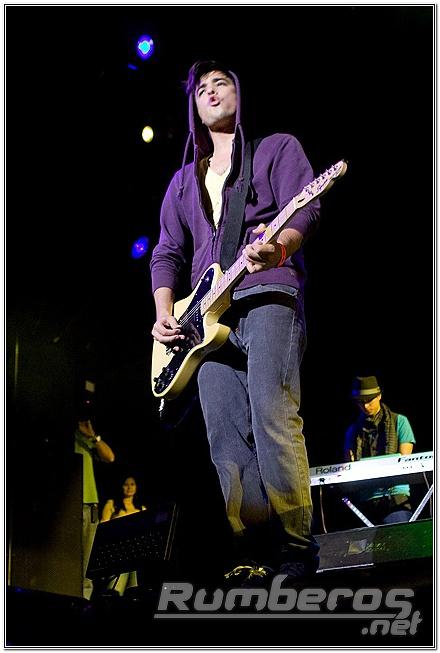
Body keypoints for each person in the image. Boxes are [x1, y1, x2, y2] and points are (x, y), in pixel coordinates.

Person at [150, 60, 321, 585]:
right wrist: (164, 313)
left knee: (273, 414)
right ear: (194, 108)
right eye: (201, 88)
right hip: (203, 324)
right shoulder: (183, 182)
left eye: (221, 82)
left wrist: (278, 248)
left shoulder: (277, 149)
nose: (211, 92)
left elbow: (304, 211)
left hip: (267, 292)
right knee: (225, 438)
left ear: (239, 94)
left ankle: (296, 548)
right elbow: (167, 251)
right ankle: (253, 550)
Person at [344, 375, 416, 524]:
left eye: (369, 401)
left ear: (379, 396)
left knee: (397, 533)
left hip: (395, 496)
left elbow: (405, 462)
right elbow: (348, 467)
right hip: (365, 498)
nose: (365, 406)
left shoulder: (399, 421)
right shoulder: (353, 430)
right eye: (361, 402)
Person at [74, 418, 115, 599]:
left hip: (88, 504)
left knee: (85, 570)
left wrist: (93, 436)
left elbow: (110, 457)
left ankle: (83, 605)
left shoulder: (83, 436)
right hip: (65, 505)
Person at [100, 476, 147, 596]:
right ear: (121, 486)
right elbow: (102, 528)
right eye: (126, 484)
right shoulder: (112, 504)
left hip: (136, 553)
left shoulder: (141, 508)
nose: (129, 487)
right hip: (116, 551)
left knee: (133, 588)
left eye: (132, 484)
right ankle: (113, 595)